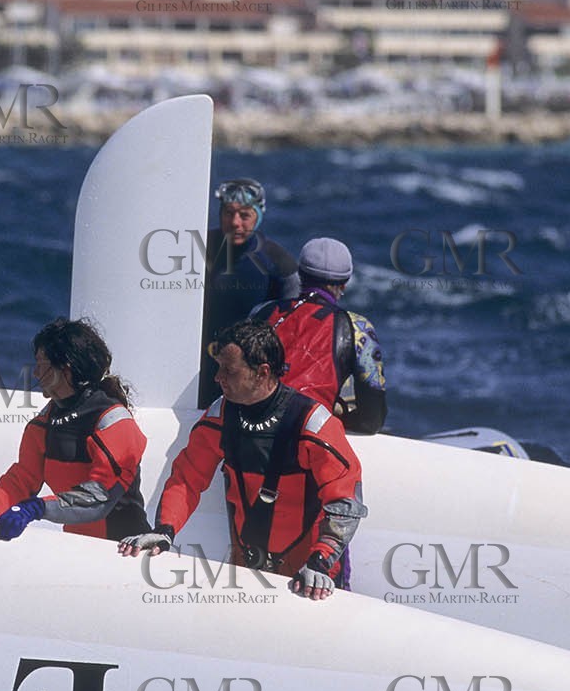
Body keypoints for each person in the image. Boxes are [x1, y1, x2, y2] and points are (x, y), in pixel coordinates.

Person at [119, 320, 365, 600]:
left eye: (229, 370)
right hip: (248, 568)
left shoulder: (313, 424)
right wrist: (164, 530)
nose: (217, 378)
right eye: (219, 368)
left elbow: (345, 502)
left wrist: (320, 561)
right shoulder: (220, 415)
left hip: (312, 576)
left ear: (262, 373)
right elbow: (188, 479)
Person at [0, 318, 151, 543]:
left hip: (126, 552)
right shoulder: (45, 422)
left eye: (42, 365)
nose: (36, 374)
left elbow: (100, 497)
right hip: (80, 549)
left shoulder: (114, 422)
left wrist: (39, 508)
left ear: (66, 370)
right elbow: (22, 480)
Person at [256, 237, 387, 435]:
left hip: (251, 429)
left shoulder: (263, 313)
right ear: (344, 284)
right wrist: (338, 413)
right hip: (305, 440)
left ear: (300, 275)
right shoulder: (358, 328)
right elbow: (372, 420)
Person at [198, 178, 299, 408]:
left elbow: (292, 328)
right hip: (197, 367)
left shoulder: (277, 262)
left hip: (244, 374)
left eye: (245, 215)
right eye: (228, 213)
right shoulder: (199, 247)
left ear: (258, 216)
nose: (235, 222)